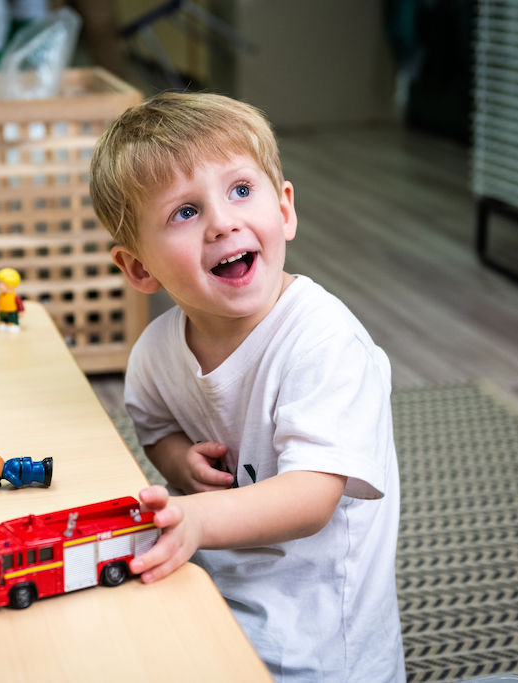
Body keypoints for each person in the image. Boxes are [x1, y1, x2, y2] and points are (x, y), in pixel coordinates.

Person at [89, 92, 405, 681]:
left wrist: (201, 518)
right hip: (208, 593)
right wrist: (180, 461)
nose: (223, 222)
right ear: (139, 268)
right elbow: (154, 427)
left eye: (240, 190)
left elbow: (312, 497)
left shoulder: (324, 342)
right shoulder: (157, 351)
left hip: (318, 647)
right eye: (185, 212)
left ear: (284, 209)